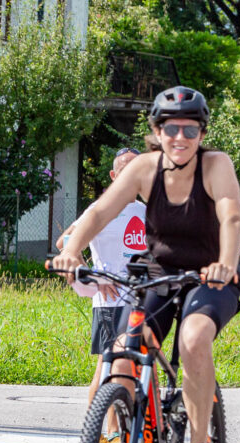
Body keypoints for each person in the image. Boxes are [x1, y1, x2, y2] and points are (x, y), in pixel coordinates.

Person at [50, 86, 240, 443]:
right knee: (123, 356)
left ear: (203, 134)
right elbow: (100, 212)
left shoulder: (216, 165)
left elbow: (231, 216)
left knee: (193, 338)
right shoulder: (143, 169)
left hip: (211, 273)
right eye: (171, 128)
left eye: (190, 130)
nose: (180, 138)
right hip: (159, 272)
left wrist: (226, 263)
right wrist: (71, 250)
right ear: (157, 132)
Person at [56, 148, 146, 408]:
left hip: (142, 299)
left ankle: (134, 423)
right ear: (113, 176)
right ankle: (102, 427)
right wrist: (94, 278)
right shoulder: (99, 209)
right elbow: (65, 243)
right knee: (107, 367)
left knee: (139, 365)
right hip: (112, 302)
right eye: (125, 170)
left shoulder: (145, 210)